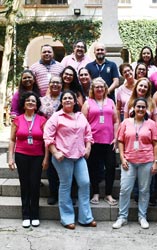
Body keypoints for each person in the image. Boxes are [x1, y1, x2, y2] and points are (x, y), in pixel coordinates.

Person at [43, 90, 96, 230]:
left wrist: (88, 147)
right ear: (61, 102)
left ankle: (86, 218)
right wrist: (55, 152)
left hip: (79, 156)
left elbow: (88, 133)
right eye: (64, 98)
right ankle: (67, 219)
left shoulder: (80, 116)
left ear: (74, 101)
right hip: (63, 157)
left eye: (70, 98)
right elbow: (48, 136)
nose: (67, 100)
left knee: (85, 183)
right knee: (65, 185)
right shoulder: (56, 116)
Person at [112, 97, 157, 229]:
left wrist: (156, 161)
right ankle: (122, 217)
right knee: (125, 189)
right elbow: (120, 141)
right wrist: (122, 158)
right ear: (133, 108)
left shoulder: (151, 124)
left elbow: (156, 144)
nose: (140, 109)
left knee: (144, 190)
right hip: (129, 161)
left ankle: (142, 216)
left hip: (146, 160)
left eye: (143, 107)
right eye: (138, 106)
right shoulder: (126, 122)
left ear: (146, 109)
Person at [8, 92, 48, 228]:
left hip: (37, 156)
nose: (31, 103)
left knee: (35, 185)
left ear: (36, 105)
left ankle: (35, 215)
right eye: (28, 101)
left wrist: (46, 159)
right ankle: (25, 215)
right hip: (21, 155)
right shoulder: (17, 120)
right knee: (24, 185)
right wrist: (10, 158)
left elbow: (47, 141)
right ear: (24, 104)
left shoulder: (42, 120)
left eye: (33, 101)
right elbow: (12, 140)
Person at [82, 77, 119, 206]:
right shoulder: (88, 103)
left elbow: (115, 121)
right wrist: (86, 140)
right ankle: (96, 193)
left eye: (101, 86)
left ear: (105, 88)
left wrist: (116, 137)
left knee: (110, 168)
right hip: (93, 141)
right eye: (96, 86)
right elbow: (83, 123)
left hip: (109, 141)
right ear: (93, 89)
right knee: (93, 168)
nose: (99, 89)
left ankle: (108, 194)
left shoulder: (111, 102)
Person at [39, 75, 62, 205]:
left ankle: (67, 193)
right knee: (51, 167)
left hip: (63, 137)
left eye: (57, 83)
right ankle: (53, 193)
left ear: (61, 85)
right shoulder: (41, 100)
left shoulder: (65, 98)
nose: (55, 85)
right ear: (49, 84)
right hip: (47, 137)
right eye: (52, 82)